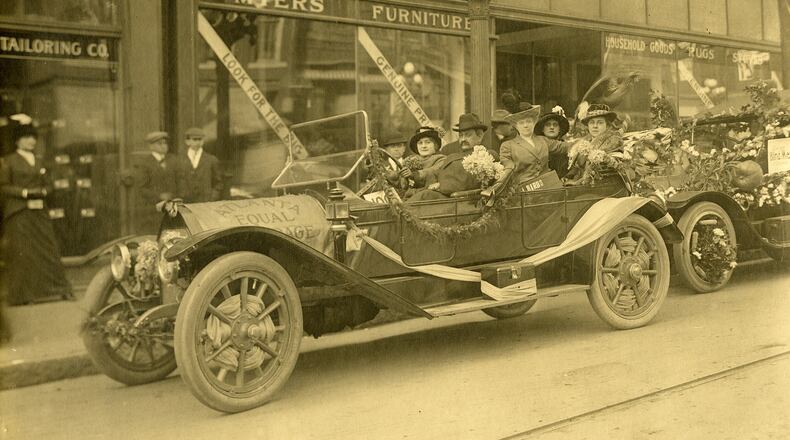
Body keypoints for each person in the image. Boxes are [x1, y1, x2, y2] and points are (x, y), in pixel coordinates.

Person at [0, 124, 72, 306]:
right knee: (23, 252)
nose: (31, 141)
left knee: (48, 249)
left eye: (33, 137)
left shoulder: (39, 161)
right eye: (26, 137)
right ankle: (23, 296)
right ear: (17, 140)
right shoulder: (8, 161)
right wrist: (25, 193)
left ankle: (59, 290)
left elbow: (49, 184)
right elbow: (4, 186)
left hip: (39, 211)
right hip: (19, 212)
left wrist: (45, 191)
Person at [410, 118, 498, 201]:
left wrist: (441, 185)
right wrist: (416, 177)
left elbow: (471, 182)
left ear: (479, 136)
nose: (463, 139)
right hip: (440, 193)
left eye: (468, 135)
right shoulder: (452, 155)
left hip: (459, 200)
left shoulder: (486, 155)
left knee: (424, 196)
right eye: (461, 135)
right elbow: (436, 173)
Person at [498, 103, 571, 189]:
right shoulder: (508, 145)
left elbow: (566, 147)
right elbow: (507, 168)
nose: (525, 125)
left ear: (533, 123)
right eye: (521, 123)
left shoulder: (543, 140)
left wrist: (585, 145)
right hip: (525, 191)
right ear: (516, 126)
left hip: (549, 186)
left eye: (529, 121)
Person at [123, 131, 178, 233]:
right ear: (151, 146)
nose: (164, 146)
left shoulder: (173, 160)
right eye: (159, 143)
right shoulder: (144, 163)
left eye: (165, 143)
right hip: (152, 210)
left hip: (172, 208)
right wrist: (159, 196)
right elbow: (141, 188)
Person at [565, 103, 623, 181]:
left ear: (607, 125)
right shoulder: (585, 140)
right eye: (592, 122)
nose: (595, 126)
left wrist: (576, 183)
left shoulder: (614, 140)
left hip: (601, 183)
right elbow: (578, 166)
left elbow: (604, 168)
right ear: (588, 125)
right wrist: (568, 177)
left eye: (600, 122)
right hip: (581, 182)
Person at [176, 127, 222, 203]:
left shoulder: (211, 160)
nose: (197, 142)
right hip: (185, 201)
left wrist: (212, 197)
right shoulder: (179, 160)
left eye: (200, 139)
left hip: (205, 201)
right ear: (187, 141)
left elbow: (218, 182)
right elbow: (176, 180)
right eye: (194, 139)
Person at [400, 127, 446, 192]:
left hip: (431, 195)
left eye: (428, 142)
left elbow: (432, 171)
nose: (423, 146)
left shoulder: (441, 159)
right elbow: (404, 187)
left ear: (435, 145)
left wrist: (414, 175)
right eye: (420, 143)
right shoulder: (410, 161)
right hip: (411, 195)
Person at [535, 106, 571, 177]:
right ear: (542, 129)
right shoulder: (538, 143)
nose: (552, 127)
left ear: (559, 129)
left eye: (555, 125)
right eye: (548, 125)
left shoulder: (566, 146)